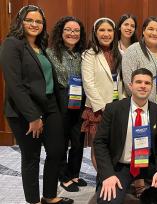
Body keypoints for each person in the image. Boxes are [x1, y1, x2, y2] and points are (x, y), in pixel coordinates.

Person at [0, 5, 73, 204]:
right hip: (25, 111)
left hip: (50, 106)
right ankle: (32, 201)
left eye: (38, 21)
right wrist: (32, 116)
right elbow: (14, 85)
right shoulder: (11, 44)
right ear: (20, 22)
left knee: (57, 151)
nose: (34, 24)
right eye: (29, 20)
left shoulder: (41, 46)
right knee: (31, 157)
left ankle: (49, 196)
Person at [94, 68, 157, 204]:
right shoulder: (113, 109)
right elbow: (99, 143)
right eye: (138, 82)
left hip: (148, 162)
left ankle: (149, 197)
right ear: (130, 85)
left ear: (151, 87)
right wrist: (108, 175)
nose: (143, 86)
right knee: (107, 202)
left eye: (147, 83)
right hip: (121, 166)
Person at [122, 16, 157, 198]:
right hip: (141, 106)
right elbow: (129, 80)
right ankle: (138, 183)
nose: (154, 33)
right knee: (140, 141)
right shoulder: (134, 51)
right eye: (150, 29)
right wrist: (143, 101)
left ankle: (156, 176)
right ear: (142, 31)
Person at [46, 16, 87, 192]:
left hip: (80, 99)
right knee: (62, 139)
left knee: (78, 139)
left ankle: (74, 173)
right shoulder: (50, 52)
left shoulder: (83, 54)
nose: (72, 33)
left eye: (76, 30)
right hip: (61, 98)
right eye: (68, 30)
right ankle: (63, 176)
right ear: (61, 32)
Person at [81, 17, 123, 170]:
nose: (106, 34)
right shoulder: (89, 55)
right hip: (98, 109)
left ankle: (114, 178)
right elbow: (88, 84)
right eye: (102, 30)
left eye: (109, 30)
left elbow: (122, 82)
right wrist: (103, 107)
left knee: (115, 146)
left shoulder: (119, 54)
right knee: (99, 147)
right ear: (95, 33)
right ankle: (102, 180)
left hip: (118, 108)